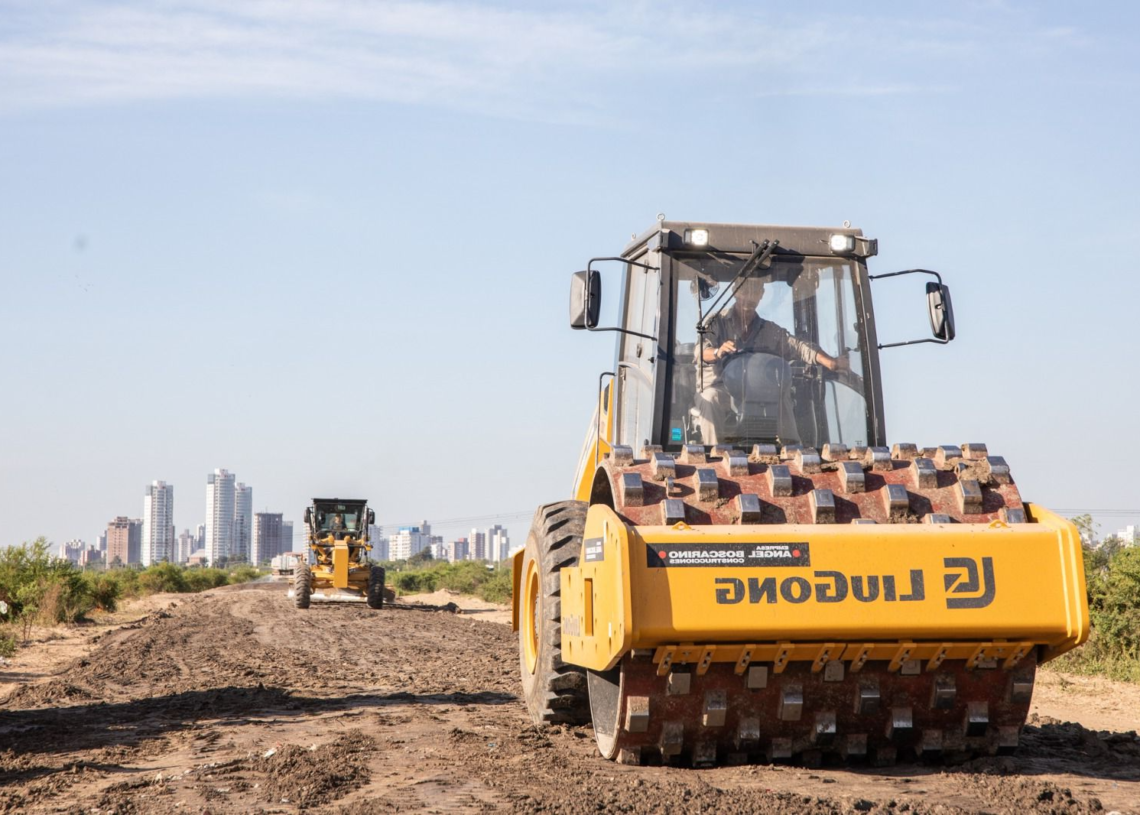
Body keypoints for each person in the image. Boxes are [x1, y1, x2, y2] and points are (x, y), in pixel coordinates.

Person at [696, 276, 846, 445]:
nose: (750, 296)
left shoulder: (769, 330)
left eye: (755, 291)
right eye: (746, 290)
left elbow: (798, 346)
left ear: (761, 294)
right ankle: (714, 456)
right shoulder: (717, 323)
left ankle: (794, 452)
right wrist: (718, 351)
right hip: (723, 389)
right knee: (710, 397)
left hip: (757, 390)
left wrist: (830, 362)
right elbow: (701, 351)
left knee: (782, 395)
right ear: (735, 291)